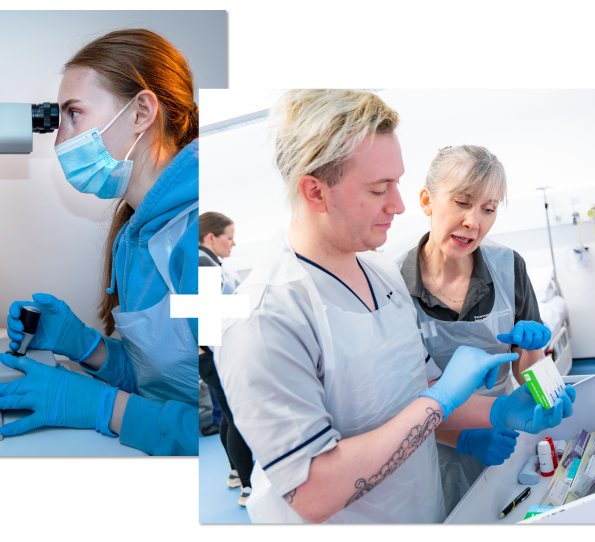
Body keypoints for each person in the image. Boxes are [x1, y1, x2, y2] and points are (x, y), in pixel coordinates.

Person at [217, 88, 576, 523]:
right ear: (315, 192)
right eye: (378, 188)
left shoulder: (380, 275)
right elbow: (312, 492)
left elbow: (419, 387)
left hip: (424, 506)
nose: (400, 204)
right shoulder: (267, 316)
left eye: (398, 183)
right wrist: (440, 401)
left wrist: (497, 411)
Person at [0, 30, 199, 456]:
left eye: (73, 114)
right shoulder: (137, 234)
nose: (60, 141)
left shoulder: (196, 236)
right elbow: (169, 381)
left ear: (141, 112)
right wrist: (89, 349)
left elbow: (235, 422)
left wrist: (105, 408)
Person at [390, 145, 551, 515]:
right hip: (429, 446)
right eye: (462, 202)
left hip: (507, 431)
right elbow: (395, 401)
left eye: (489, 209)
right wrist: (461, 439)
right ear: (427, 201)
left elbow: (527, 372)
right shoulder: (392, 284)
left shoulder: (508, 267)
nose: (473, 222)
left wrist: (539, 364)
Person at [199, 211, 255, 506]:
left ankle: (235, 472)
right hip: (213, 354)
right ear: (211, 238)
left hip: (211, 352)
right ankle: (248, 486)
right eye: (229, 238)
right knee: (236, 417)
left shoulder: (207, 262)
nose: (233, 244)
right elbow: (206, 320)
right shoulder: (202, 263)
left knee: (226, 415)